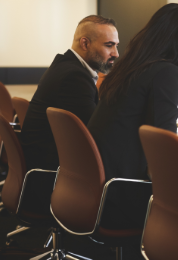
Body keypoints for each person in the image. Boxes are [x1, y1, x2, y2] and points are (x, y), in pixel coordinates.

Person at [87, 3, 178, 228]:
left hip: (101, 185)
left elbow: (137, 130)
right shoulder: (166, 72)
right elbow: (164, 155)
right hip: (127, 193)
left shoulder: (132, 67)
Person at [22, 15, 119, 171]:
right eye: (109, 45)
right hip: (51, 170)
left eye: (116, 46)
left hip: (42, 162)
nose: (116, 53)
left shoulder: (65, 66)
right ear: (85, 43)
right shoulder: (74, 77)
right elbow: (96, 133)